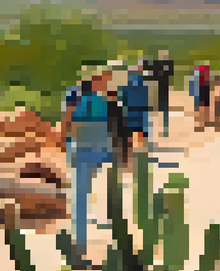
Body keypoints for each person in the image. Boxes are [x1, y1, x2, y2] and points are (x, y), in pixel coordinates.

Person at [60, 64, 115, 257]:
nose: (107, 80)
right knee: (81, 196)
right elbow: (68, 120)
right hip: (86, 148)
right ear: (93, 78)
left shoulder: (102, 97)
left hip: (95, 149)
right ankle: (80, 242)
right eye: (104, 77)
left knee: (83, 195)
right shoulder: (78, 96)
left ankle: (81, 240)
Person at [118, 61, 153, 170]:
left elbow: (123, 99)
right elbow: (147, 99)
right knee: (143, 135)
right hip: (141, 112)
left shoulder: (126, 85)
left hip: (130, 112)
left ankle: (127, 161)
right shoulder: (144, 85)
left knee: (128, 137)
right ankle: (144, 157)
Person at [144, 49, 175, 140]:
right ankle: (151, 131)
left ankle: (165, 129)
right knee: (152, 109)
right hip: (155, 88)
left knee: (165, 109)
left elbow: (171, 73)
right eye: (162, 54)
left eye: (165, 54)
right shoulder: (156, 63)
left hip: (164, 88)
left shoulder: (169, 63)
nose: (163, 56)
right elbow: (151, 73)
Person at [190, 62, 213, 131]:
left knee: (202, 106)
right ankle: (203, 122)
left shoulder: (200, 72)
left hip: (203, 88)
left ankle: (202, 122)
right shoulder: (202, 72)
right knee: (203, 106)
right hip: (203, 88)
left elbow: (193, 82)